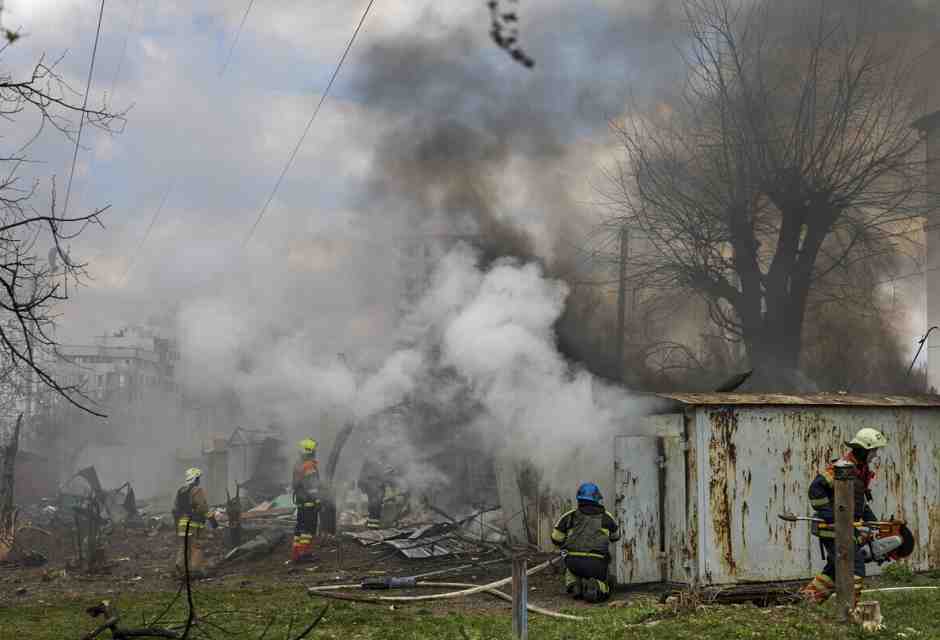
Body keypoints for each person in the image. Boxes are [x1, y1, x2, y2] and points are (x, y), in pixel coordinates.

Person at [800, 427, 888, 605]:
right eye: (873, 451)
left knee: (834, 570)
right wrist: (831, 516)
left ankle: (805, 603)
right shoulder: (842, 468)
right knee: (854, 568)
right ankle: (849, 610)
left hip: (846, 528)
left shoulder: (859, 470)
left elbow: (857, 501)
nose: (875, 455)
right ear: (864, 450)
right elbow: (815, 489)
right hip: (833, 529)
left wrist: (872, 521)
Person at [551, 482, 621, 603]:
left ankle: (574, 585)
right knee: (606, 581)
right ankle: (598, 586)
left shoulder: (569, 516)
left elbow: (556, 538)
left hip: (573, 562)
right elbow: (616, 537)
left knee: (569, 564)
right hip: (597, 564)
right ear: (597, 499)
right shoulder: (606, 517)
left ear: (579, 499)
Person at [173, 467, 209, 578]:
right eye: (198, 478)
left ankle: (180, 567)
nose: (199, 480)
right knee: (197, 546)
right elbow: (203, 507)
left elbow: (175, 509)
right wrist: (209, 518)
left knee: (183, 547)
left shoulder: (180, 491)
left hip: (182, 525)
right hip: (194, 525)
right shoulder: (197, 490)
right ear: (195, 478)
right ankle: (195, 570)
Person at [291, 438, 321, 562]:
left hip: (301, 502)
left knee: (299, 529)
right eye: (314, 449)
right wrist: (318, 501)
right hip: (309, 503)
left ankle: (297, 554)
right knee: (307, 530)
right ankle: (304, 554)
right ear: (309, 451)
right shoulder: (309, 465)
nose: (315, 452)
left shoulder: (298, 465)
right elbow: (312, 486)